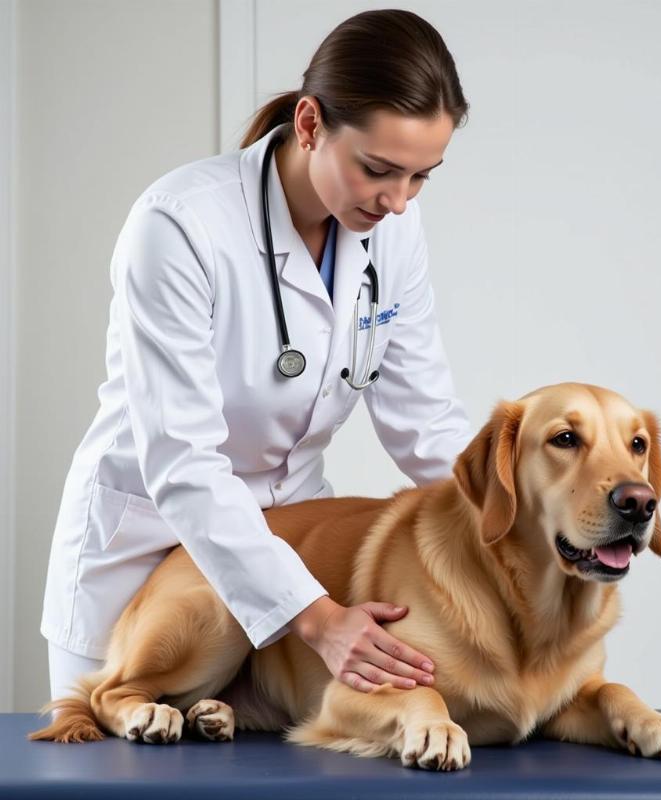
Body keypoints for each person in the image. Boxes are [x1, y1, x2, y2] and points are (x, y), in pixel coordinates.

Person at [41, 8, 472, 709]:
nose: (398, 201)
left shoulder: (393, 228)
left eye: (422, 177)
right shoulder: (180, 226)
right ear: (309, 125)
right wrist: (320, 617)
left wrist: (529, 523)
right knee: (118, 770)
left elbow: (426, 424)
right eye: (378, 170)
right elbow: (183, 461)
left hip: (292, 548)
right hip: (152, 546)